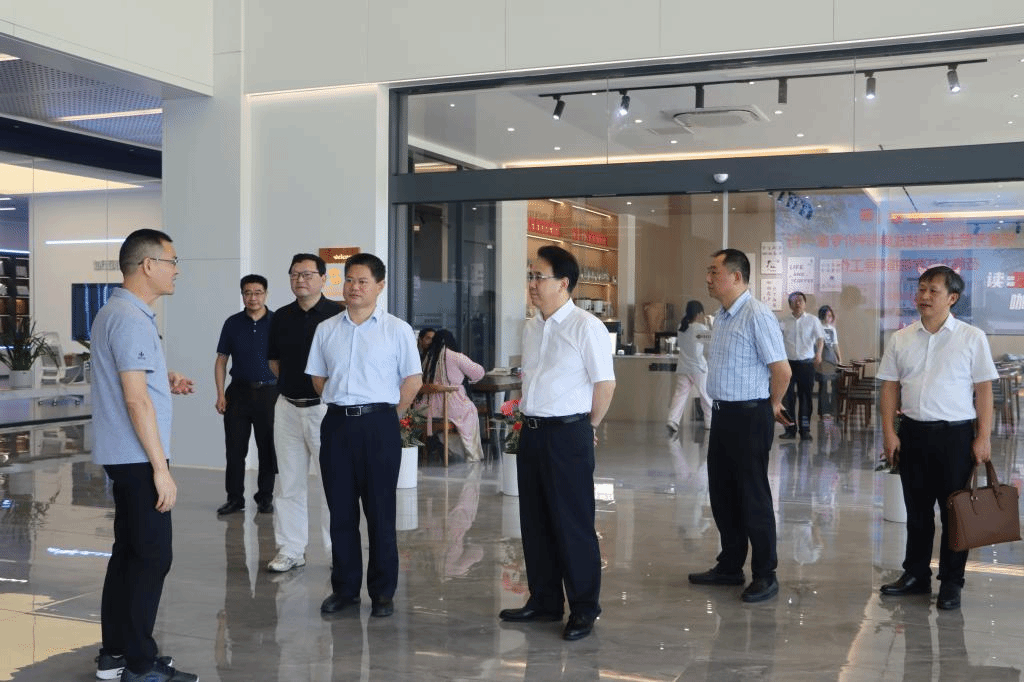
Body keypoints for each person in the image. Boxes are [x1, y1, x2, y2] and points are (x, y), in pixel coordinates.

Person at [91, 229, 198, 682]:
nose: (177, 271)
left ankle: (115, 654)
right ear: (148, 265)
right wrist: (161, 469)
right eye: (172, 262)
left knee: (129, 554)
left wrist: (161, 377)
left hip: (123, 453)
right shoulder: (131, 318)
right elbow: (136, 401)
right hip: (138, 457)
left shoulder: (115, 311)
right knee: (152, 558)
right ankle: (139, 664)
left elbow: (131, 381)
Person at [498, 245, 616, 641]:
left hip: (568, 433)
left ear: (563, 283)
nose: (532, 284)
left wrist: (587, 426)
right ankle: (545, 601)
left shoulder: (586, 326)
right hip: (532, 431)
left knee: (572, 524)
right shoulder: (533, 326)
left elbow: (605, 385)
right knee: (535, 522)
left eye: (539, 277)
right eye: (530, 276)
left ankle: (583, 608)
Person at [307, 252, 422, 618]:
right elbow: (318, 378)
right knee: (340, 513)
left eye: (362, 282)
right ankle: (345, 590)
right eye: (349, 280)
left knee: (380, 513)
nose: (354, 288)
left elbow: (413, 381)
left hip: (379, 426)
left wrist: (389, 416)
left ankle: (383, 593)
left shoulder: (397, 330)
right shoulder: (327, 329)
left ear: (380, 286)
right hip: (337, 425)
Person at [877, 265, 997, 610]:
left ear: (952, 298)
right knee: (917, 513)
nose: (924, 296)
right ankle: (916, 575)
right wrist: (889, 432)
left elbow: (984, 391)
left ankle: (951, 582)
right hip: (912, 434)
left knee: (955, 514)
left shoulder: (971, 337)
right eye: (921, 289)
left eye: (933, 291)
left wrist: (983, 436)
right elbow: (889, 388)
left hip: (955, 437)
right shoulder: (901, 338)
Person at [688, 248, 791, 604]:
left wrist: (772, 404)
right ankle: (730, 565)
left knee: (752, 496)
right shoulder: (723, 316)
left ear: (735, 276)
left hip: (749, 416)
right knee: (723, 493)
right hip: (724, 414)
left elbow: (782, 370)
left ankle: (765, 573)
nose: (708, 278)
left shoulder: (756, 314)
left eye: (714, 271)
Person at [265, 253, 343, 573]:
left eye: (308, 274)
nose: (300, 280)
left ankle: (337, 551)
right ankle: (291, 549)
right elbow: (274, 362)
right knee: (288, 483)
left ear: (323, 279)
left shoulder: (338, 315)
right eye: (295, 274)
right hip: (287, 408)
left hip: (324, 410)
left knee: (332, 484)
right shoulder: (281, 317)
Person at [213, 274, 278, 516]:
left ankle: (265, 497)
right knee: (235, 449)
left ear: (266, 294)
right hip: (238, 393)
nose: (253, 297)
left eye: (258, 292)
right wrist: (220, 394)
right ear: (242, 295)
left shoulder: (277, 322)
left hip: (270, 393)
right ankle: (234, 498)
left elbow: (285, 360)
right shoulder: (232, 323)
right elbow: (221, 360)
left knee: (267, 448)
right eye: (248, 293)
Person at [418, 329, 486, 462]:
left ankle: (441, 441)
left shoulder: (427, 359)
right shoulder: (456, 357)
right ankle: (469, 453)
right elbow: (479, 373)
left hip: (426, 409)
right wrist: (463, 380)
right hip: (450, 406)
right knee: (471, 410)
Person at [779, 291, 824, 441]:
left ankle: (805, 430)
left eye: (800, 300)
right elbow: (778, 341)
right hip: (788, 365)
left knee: (806, 398)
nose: (797, 303)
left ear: (805, 303)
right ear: (790, 304)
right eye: (794, 301)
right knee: (788, 398)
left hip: (806, 364)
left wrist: (818, 354)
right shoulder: (783, 321)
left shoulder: (813, 320)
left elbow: (820, 339)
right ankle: (790, 429)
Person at [666, 300, 713, 434]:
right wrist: (710, 324)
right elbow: (712, 342)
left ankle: (672, 421)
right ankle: (710, 422)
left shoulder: (681, 327)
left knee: (679, 395)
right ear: (698, 313)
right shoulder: (699, 328)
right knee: (706, 396)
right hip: (698, 368)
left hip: (683, 367)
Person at [815, 305, 842, 419]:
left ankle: (833, 410)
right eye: (827, 315)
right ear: (822, 316)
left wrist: (839, 359)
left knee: (834, 384)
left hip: (831, 358)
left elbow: (835, 345)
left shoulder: (832, 329)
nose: (829, 318)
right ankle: (824, 411)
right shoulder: (818, 327)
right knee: (824, 385)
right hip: (822, 357)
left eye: (831, 316)